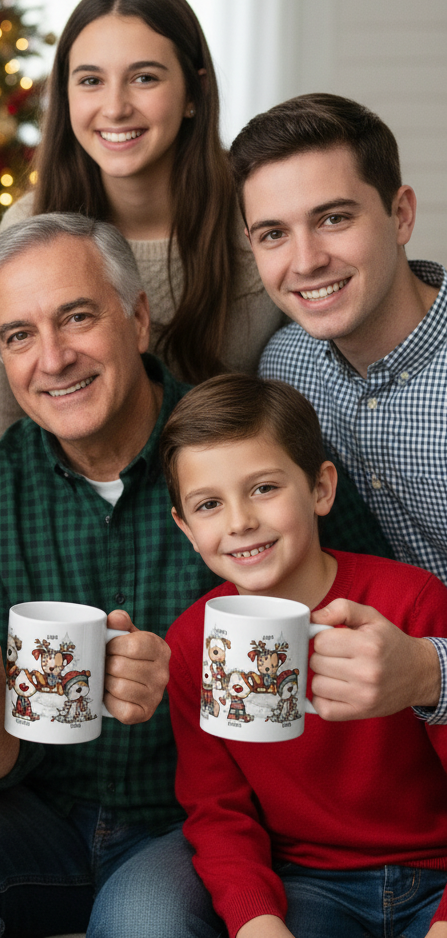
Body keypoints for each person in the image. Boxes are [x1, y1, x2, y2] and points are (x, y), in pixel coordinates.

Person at [0, 212, 386, 938]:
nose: (53, 359)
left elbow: (373, 615)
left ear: (137, 319)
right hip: (36, 812)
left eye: (76, 317)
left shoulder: (247, 453)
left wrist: (185, 681)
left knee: (145, 917)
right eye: (19, 335)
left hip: (192, 821)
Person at [161, 374, 447, 938]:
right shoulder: (193, 642)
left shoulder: (412, 603)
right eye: (209, 504)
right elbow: (218, 811)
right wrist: (256, 920)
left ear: (320, 488)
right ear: (186, 528)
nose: (240, 522)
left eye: (264, 488)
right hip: (313, 885)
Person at [0, 0, 283, 443]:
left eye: (144, 78)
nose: (115, 108)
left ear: (194, 93)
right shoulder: (30, 223)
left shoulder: (262, 215)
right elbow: (11, 421)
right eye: (91, 81)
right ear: (65, 95)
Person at [230, 93, 447, 726]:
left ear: (400, 214)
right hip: (371, 730)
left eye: (333, 218)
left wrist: (428, 670)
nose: (306, 261)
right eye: (274, 234)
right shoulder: (286, 366)